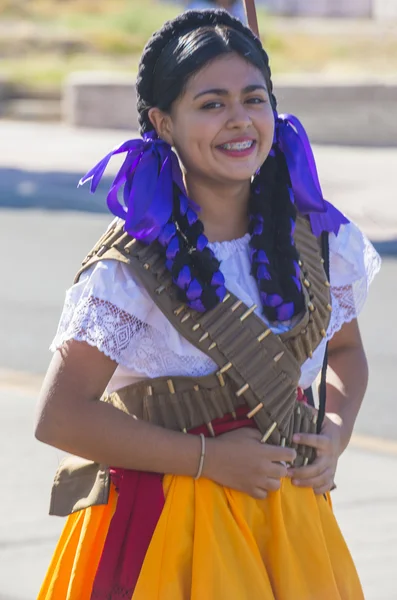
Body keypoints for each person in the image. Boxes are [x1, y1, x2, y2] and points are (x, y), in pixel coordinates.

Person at [35, 9, 380, 600]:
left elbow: (345, 351)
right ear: (163, 123)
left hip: (292, 523)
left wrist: (335, 431)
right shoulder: (128, 269)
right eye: (211, 104)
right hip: (169, 531)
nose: (240, 120)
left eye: (254, 98)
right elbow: (60, 416)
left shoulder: (318, 240)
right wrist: (206, 459)